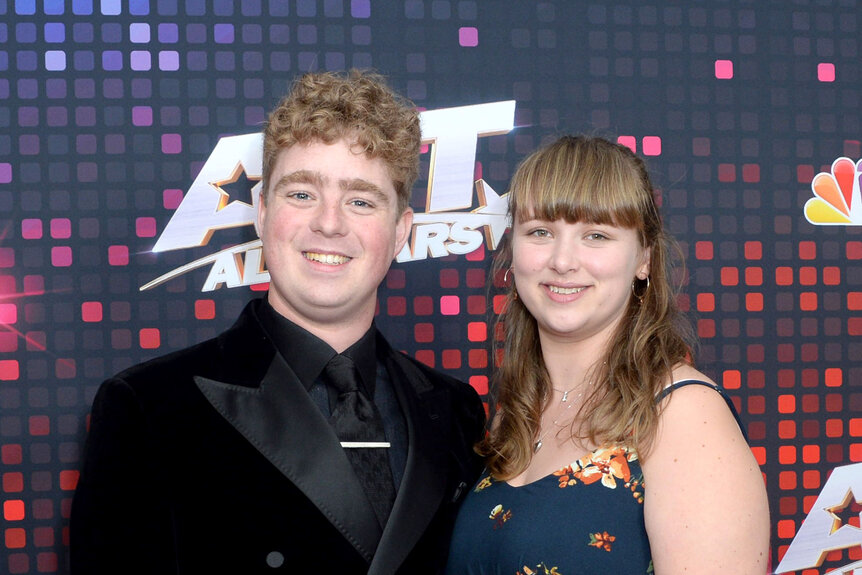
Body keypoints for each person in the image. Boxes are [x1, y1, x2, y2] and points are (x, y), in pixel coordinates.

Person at [70, 70, 486, 574]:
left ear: (400, 229)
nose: (329, 223)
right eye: (302, 194)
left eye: (360, 201)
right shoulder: (151, 407)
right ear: (263, 213)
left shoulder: (458, 412)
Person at [445, 135, 770, 574]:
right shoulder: (515, 415)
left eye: (596, 236)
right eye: (540, 231)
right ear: (513, 250)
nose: (562, 260)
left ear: (644, 261)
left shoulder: (682, 414)